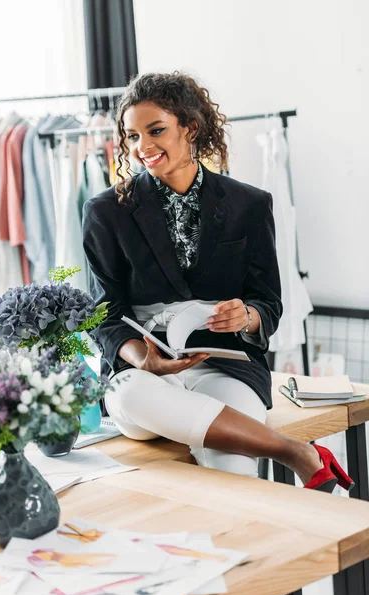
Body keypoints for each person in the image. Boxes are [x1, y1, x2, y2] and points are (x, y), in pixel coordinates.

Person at [82, 72, 353, 493]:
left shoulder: (250, 204)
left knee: (231, 471)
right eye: (132, 136)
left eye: (156, 131)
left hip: (226, 368)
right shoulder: (105, 212)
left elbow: (267, 303)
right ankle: (297, 452)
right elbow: (106, 315)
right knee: (128, 392)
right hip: (145, 376)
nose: (142, 148)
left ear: (190, 127)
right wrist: (145, 361)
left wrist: (246, 316)